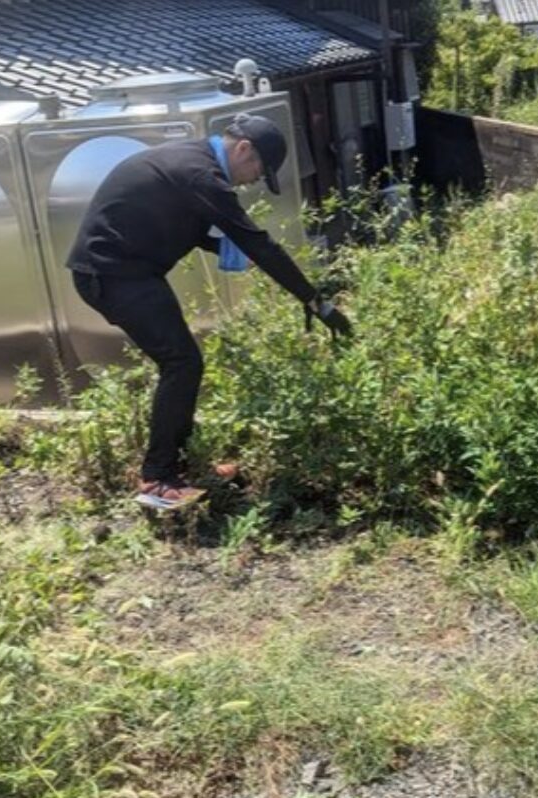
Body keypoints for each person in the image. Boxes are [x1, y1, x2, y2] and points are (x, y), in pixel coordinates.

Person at [68, 114, 352, 511]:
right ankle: (157, 479)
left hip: (126, 271)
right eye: (257, 169)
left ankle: (177, 467)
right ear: (243, 149)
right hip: (114, 274)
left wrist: (224, 248)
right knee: (181, 361)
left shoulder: (192, 161)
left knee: (183, 362)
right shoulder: (201, 174)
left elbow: (179, 219)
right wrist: (316, 302)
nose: (254, 180)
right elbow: (259, 244)